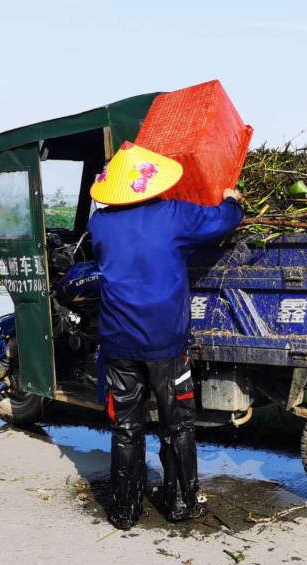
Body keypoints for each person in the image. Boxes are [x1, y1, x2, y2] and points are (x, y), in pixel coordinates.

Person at [88, 142, 244, 530]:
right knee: (177, 425)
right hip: (166, 345)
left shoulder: (100, 224)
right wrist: (232, 202)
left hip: (119, 343)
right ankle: (179, 504)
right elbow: (221, 221)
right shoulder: (174, 215)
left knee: (126, 427)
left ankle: (124, 511)